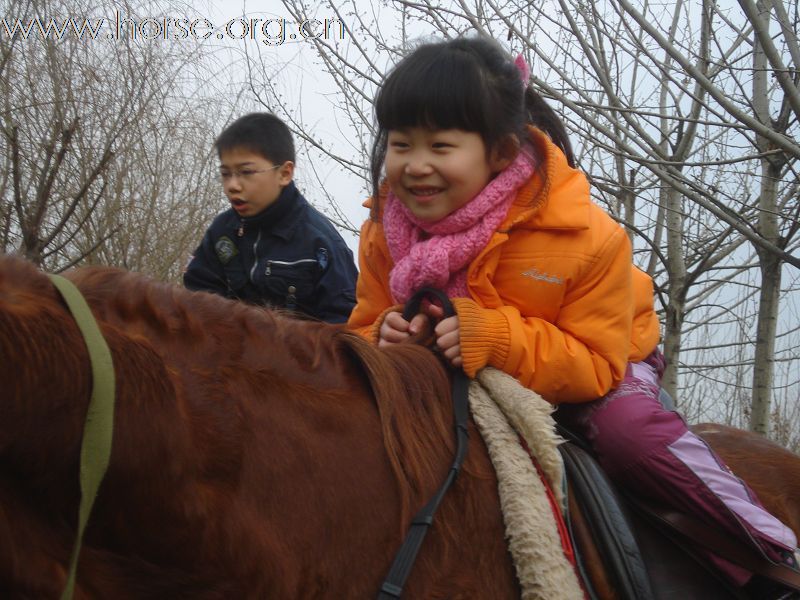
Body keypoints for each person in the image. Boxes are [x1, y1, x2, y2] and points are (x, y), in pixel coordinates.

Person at [347, 35, 798, 594]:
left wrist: (493, 337)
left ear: (501, 154)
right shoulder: (381, 234)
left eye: (440, 146)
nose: (415, 166)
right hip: (462, 373)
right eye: (400, 144)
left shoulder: (584, 234)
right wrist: (381, 337)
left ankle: (773, 558)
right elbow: (363, 322)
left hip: (601, 362)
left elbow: (592, 363)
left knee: (628, 434)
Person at [184, 112, 358, 323]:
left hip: (301, 354)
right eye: (225, 173)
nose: (232, 185)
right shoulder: (222, 232)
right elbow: (196, 298)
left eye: (246, 172)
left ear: (285, 173)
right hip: (228, 351)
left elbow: (345, 326)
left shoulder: (320, 243)